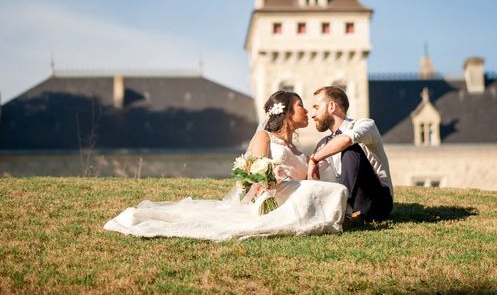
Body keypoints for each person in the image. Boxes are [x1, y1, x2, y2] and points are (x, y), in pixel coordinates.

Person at [104, 91, 348, 241]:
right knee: (333, 192)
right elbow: (251, 180)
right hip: (271, 200)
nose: (306, 110)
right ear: (285, 111)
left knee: (330, 188)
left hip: (293, 195)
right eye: (300, 105)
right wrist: (269, 179)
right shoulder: (264, 137)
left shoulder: (297, 149)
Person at [308, 86, 393, 222]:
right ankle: (344, 211)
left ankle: (344, 211)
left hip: (378, 201)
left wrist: (315, 159)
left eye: (316, 107)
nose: (312, 114)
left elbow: (347, 139)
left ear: (331, 107)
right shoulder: (324, 144)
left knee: (349, 148)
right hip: (351, 200)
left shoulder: (365, 125)